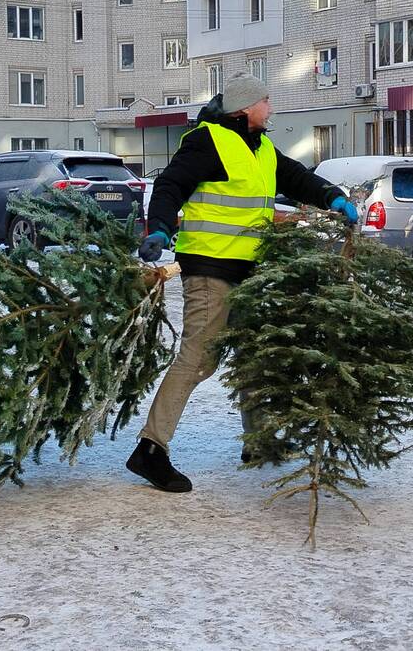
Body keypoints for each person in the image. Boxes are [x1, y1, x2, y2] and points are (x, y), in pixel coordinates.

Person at [126, 73, 359, 493]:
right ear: (245, 108)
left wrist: (333, 196)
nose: (271, 108)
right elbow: (170, 185)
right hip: (210, 270)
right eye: (266, 101)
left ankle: (260, 442)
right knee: (198, 359)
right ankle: (150, 450)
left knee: (255, 355)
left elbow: (297, 178)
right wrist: (158, 229)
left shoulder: (262, 148)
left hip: (251, 270)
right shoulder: (207, 141)